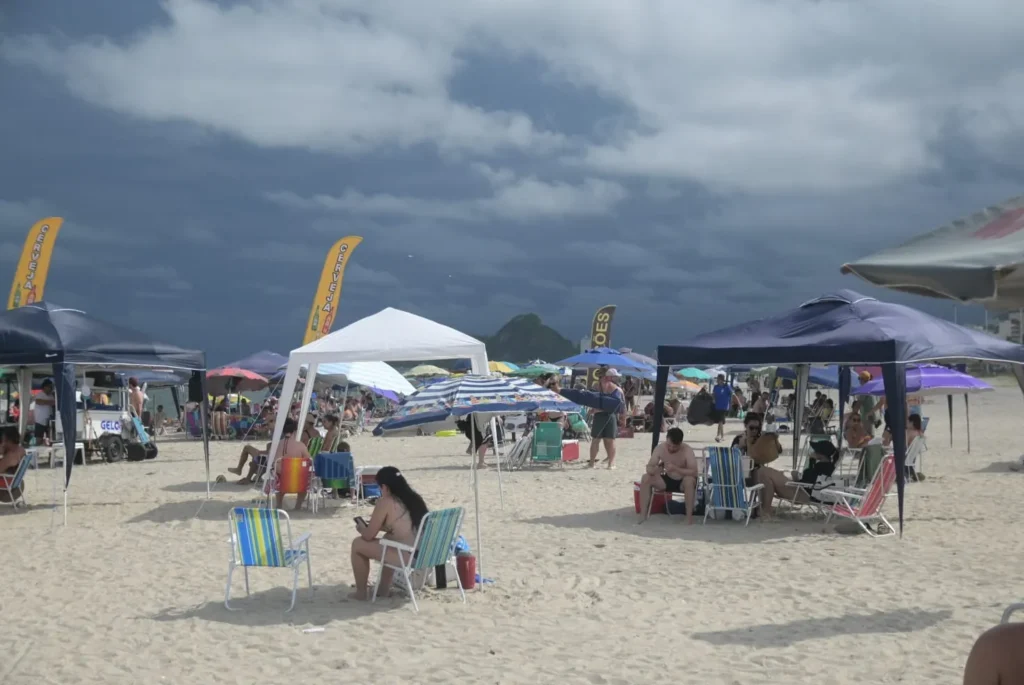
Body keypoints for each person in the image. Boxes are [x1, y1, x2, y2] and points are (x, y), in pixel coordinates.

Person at [349, 466, 428, 601]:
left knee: (358, 544)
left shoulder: (386, 502)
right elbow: (405, 527)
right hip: (425, 555)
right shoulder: (414, 499)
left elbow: (368, 536)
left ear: (385, 487)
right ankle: (383, 589)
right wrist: (385, 528)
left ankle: (361, 593)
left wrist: (361, 528)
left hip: (407, 557)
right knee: (389, 538)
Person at [638, 427, 699, 524]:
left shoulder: (687, 450)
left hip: (683, 480)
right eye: (669, 445)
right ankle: (643, 515)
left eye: (674, 447)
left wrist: (676, 468)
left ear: (680, 443)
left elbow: (694, 472)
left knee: (689, 480)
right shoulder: (660, 448)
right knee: (645, 478)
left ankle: (688, 518)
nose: (671, 448)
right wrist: (654, 470)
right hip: (667, 479)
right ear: (666, 439)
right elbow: (649, 467)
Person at [0, 426, 26, 503]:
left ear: (7, 440)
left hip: (7, 491)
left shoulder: (10, 456)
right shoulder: (20, 449)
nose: (2, 442)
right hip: (18, 486)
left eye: (3, 439)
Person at [32, 379, 56, 445]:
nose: (51, 388)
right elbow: (38, 401)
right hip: (40, 421)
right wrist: (50, 402)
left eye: (51, 387)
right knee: (39, 439)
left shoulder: (51, 396)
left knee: (51, 438)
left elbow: (54, 404)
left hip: (49, 420)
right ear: (45, 387)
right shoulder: (40, 394)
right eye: (50, 387)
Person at [712, 374, 732, 442]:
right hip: (717, 406)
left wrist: (730, 405)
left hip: (724, 406)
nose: (717, 380)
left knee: (720, 421)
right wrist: (713, 399)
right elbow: (714, 395)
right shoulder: (716, 387)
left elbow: (731, 394)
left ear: (721, 380)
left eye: (718, 379)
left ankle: (718, 435)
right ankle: (722, 436)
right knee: (720, 421)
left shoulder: (726, 387)